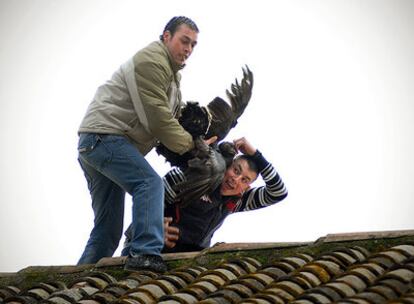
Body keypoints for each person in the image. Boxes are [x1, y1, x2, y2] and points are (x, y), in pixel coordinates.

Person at [76, 16, 201, 272]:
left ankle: (74, 283)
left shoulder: (172, 75)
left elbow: (173, 116)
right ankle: (144, 254)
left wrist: (201, 129)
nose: (188, 49)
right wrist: (194, 148)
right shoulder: (152, 61)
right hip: (105, 138)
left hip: (99, 143)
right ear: (166, 36)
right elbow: (158, 119)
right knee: (148, 183)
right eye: (184, 41)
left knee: (108, 230)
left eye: (193, 45)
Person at [122, 137, 288, 254]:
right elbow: (147, 200)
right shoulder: (192, 176)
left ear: (246, 187)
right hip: (146, 248)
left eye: (244, 179)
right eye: (235, 170)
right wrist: (152, 229)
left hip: (184, 261)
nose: (235, 179)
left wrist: (256, 155)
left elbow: (278, 192)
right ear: (227, 165)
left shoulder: (237, 200)